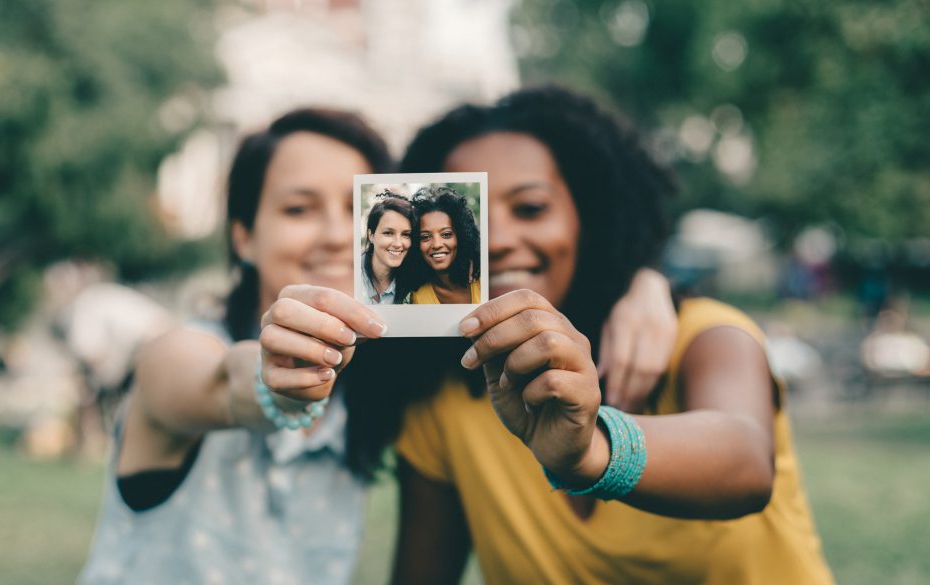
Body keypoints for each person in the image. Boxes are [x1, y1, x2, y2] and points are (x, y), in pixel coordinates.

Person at [79, 105, 676, 584]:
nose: (340, 234)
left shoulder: (387, 389)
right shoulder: (180, 353)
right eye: (298, 208)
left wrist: (643, 281)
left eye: (360, 208)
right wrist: (276, 382)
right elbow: (219, 381)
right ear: (243, 237)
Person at [385, 87, 835, 584]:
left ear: (590, 216)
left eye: (530, 208)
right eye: (466, 219)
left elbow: (746, 462)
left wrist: (592, 450)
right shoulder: (442, 403)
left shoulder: (701, 336)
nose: (500, 238)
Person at [408, 186, 482, 304]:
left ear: (462, 237)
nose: (437, 244)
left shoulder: (484, 278)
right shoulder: (418, 297)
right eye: (425, 237)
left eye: (446, 234)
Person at [361, 192, 415, 304]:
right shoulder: (353, 274)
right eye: (388, 233)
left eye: (406, 234)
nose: (398, 244)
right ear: (371, 235)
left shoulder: (414, 282)